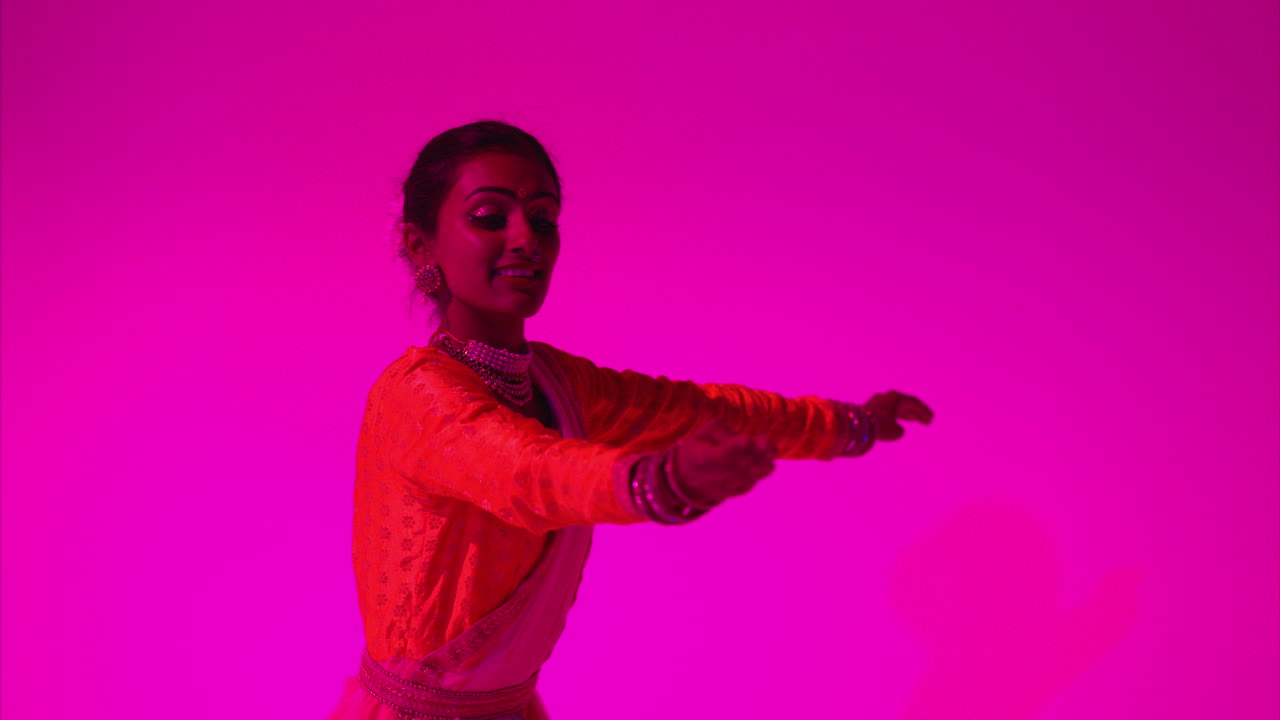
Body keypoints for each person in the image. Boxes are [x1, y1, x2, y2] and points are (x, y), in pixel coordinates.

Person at [325, 120, 934, 720]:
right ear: (419, 244)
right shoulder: (417, 395)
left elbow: (697, 410)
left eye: (543, 219)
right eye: (490, 217)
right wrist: (662, 482)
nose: (525, 239)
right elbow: (529, 472)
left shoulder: (560, 384)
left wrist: (844, 424)